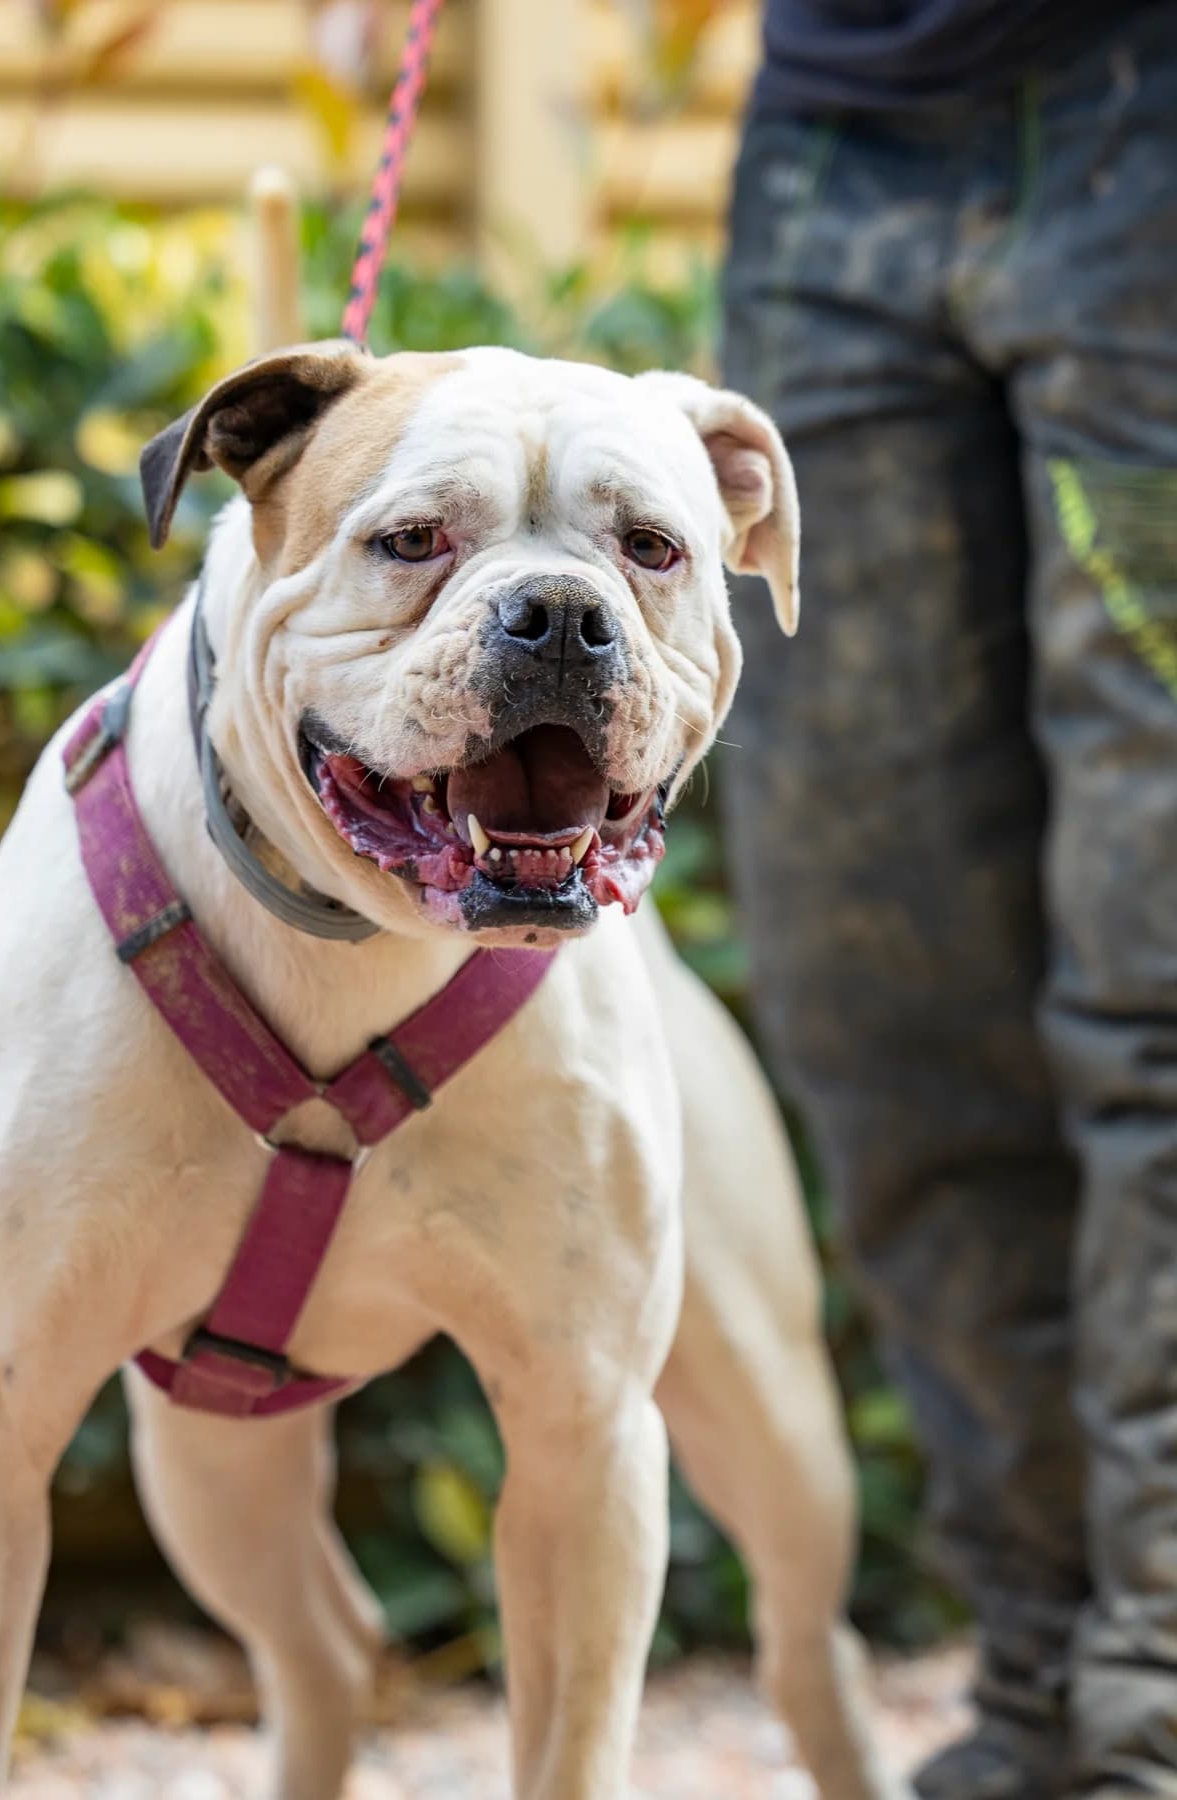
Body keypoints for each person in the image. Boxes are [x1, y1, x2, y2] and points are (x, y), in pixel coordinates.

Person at [719, 2, 1177, 1794]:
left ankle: (1156, 1699)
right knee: (882, 980)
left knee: (1158, 976)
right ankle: (1046, 1680)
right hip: (842, 135)